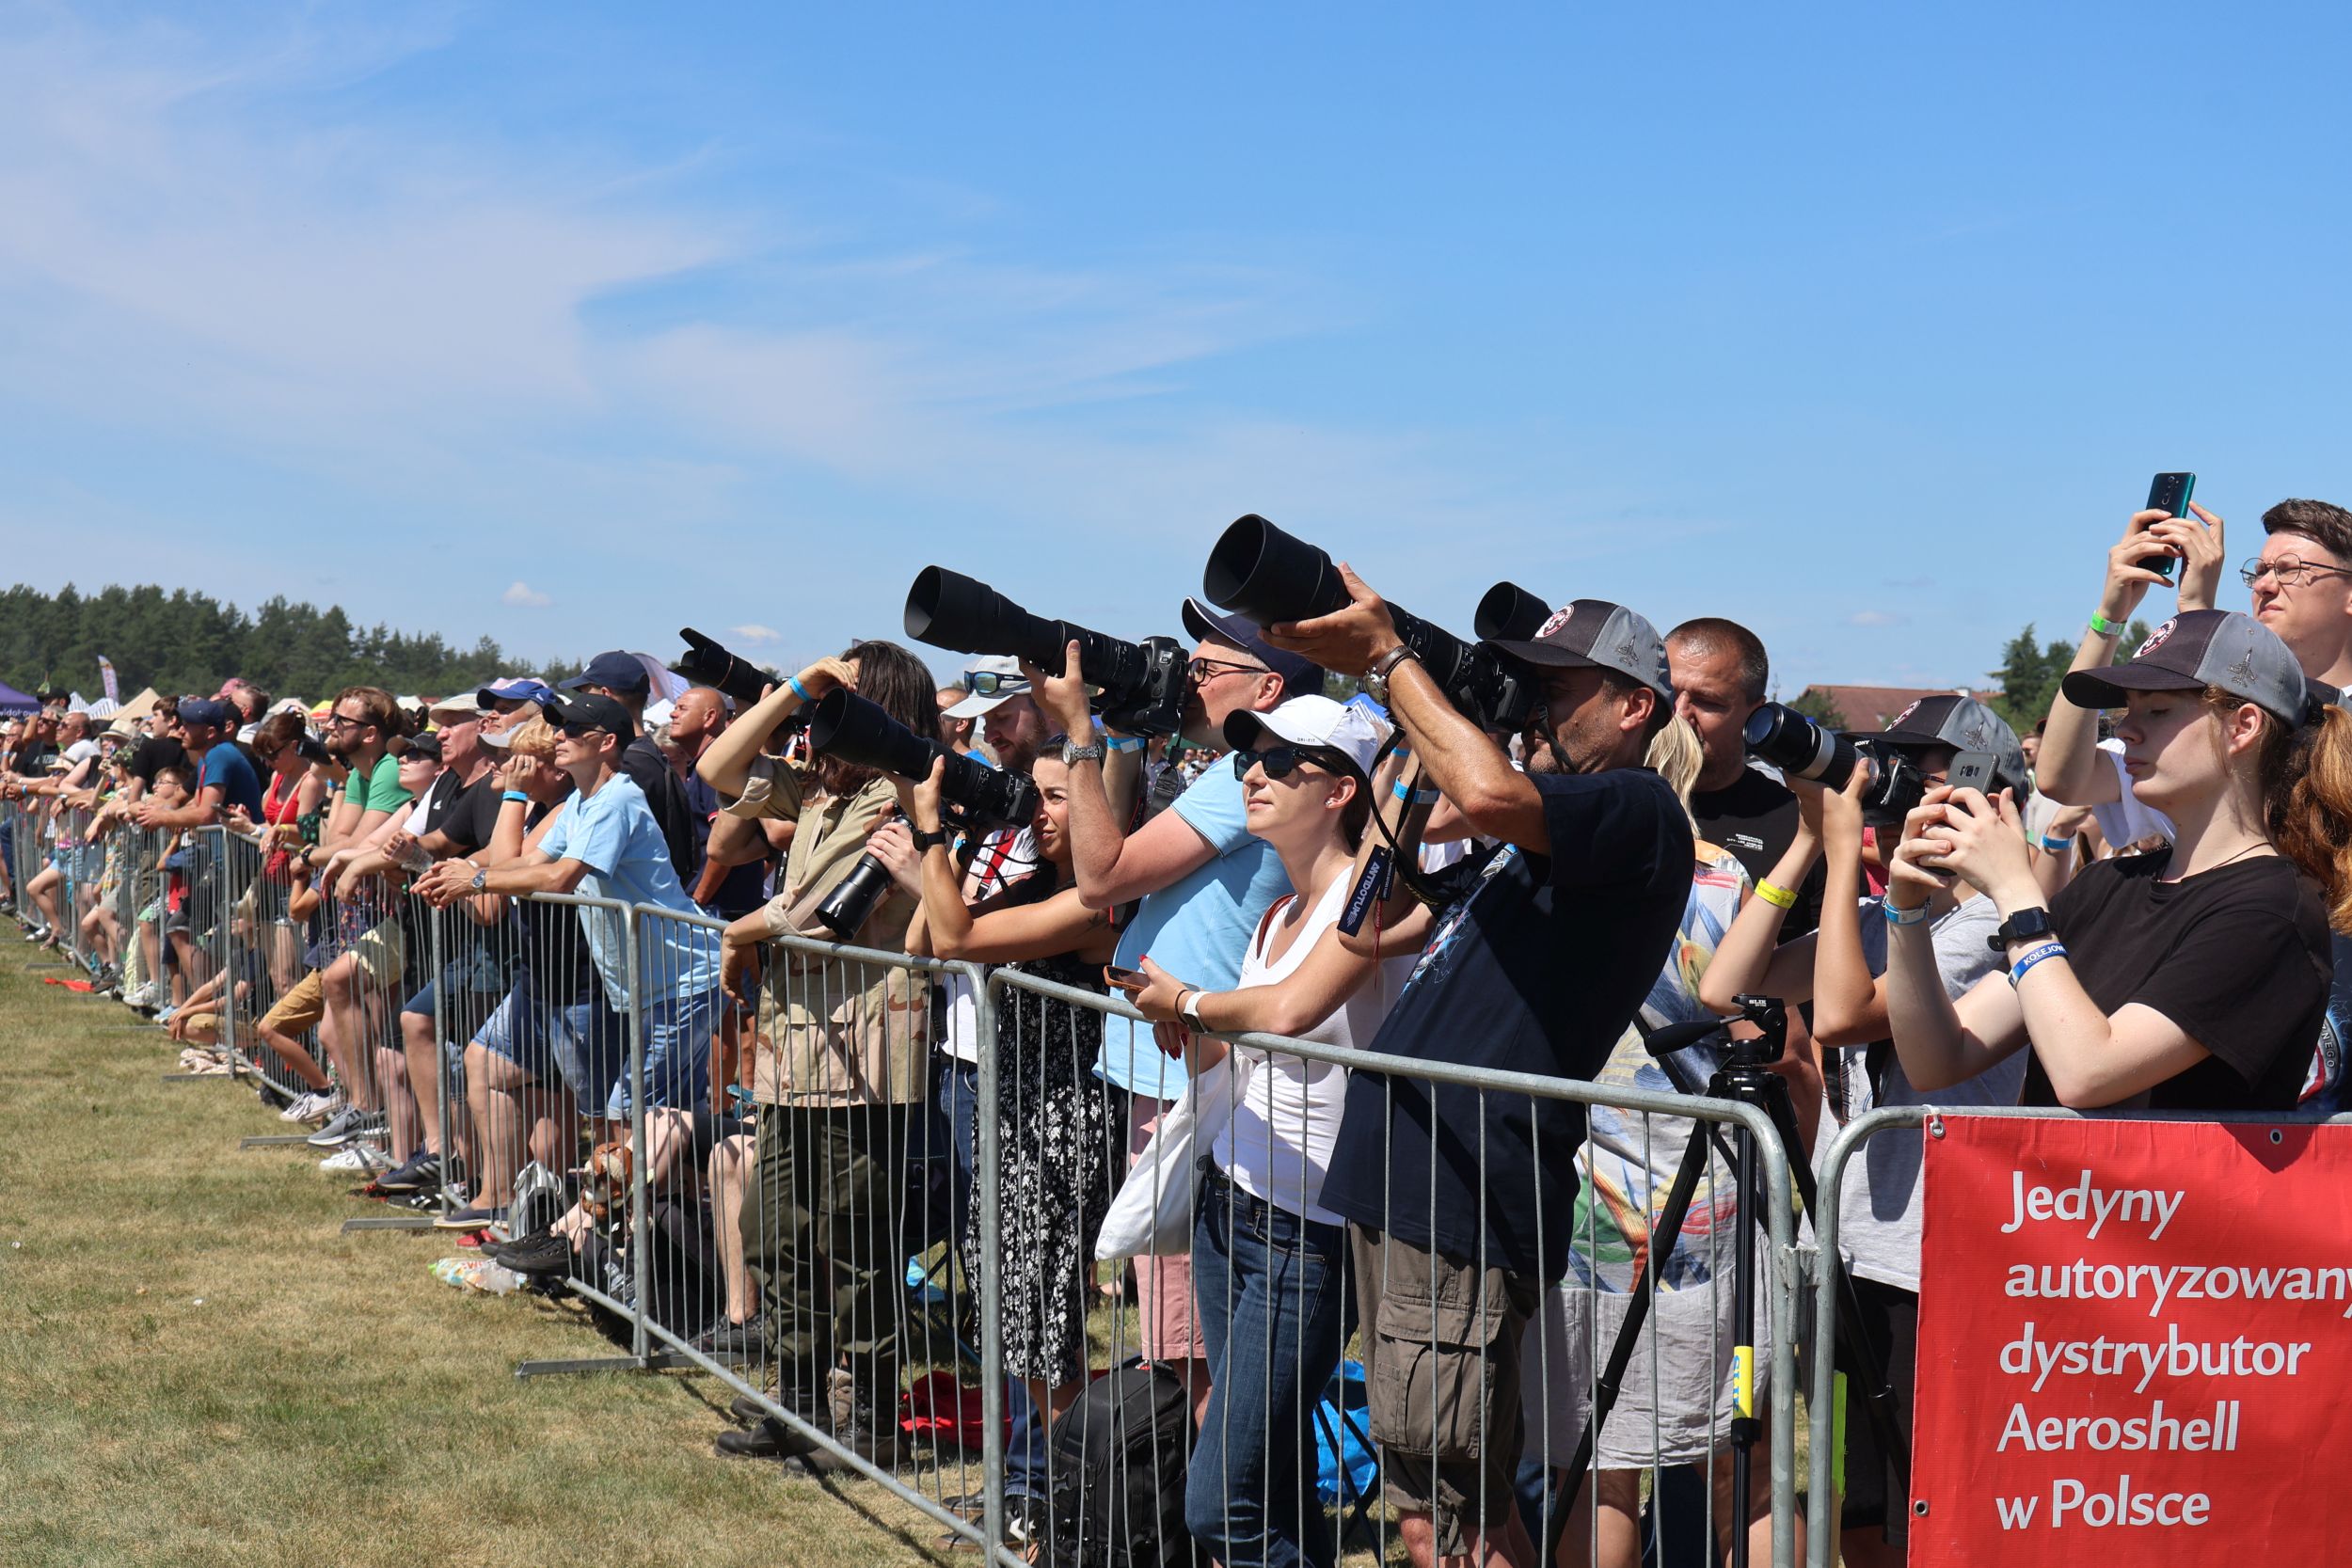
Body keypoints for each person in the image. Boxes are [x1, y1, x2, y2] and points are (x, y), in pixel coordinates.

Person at [1264, 578, 1693, 1568]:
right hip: (1411, 1179)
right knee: (1454, 1498)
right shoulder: (1541, 844)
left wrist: (1390, 658)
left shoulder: (1637, 808)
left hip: (1460, 1189)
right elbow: (1368, 918)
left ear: (1634, 706)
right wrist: (1424, 753)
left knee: (1441, 1515)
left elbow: (1494, 794)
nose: (1536, 707)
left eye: (1558, 690)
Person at [1698, 693, 2028, 1567]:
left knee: (1924, 1509)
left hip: (1930, 1257)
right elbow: (1726, 986)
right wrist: (1808, 841)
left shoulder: (1989, 930)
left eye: (1921, 776)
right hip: (1851, 1247)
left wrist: (1848, 853)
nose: (1893, 798)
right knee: (1861, 1512)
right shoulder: (1882, 921)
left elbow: (1842, 1014)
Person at [1120, 696, 1418, 1568]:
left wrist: (1189, 1001)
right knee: (1273, 1479)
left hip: (1309, 1235)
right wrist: (1189, 1030)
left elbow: (1289, 1010)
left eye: (1282, 760)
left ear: (1341, 790)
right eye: (1250, 757)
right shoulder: (1274, 913)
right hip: (1232, 1204)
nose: (1253, 773)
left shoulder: (1370, 901)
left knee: (1220, 1499)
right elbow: (1246, 1058)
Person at [1030, 596, 1323, 1418]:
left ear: (1267, 689)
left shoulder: (1245, 777)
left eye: (1206, 669)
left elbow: (1100, 875)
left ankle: (1213, 1489)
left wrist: (1082, 731)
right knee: (1184, 1332)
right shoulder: (1233, 774)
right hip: (1175, 1062)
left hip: (1191, 1072)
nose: (1187, 682)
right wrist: (1124, 735)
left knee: (1193, 1345)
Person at [1887, 610, 2348, 1116]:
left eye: (2157, 711)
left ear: (2242, 726)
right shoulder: (2103, 885)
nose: (2125, 730)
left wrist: (2015, 891)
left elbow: (2088, 1073)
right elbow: (1936, 1060)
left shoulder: (2273, 910)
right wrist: (1904, 911)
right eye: (2128, 711)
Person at [867, 736, 1126, 1540]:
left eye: (1057, 796)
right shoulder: (1033, 881)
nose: (1038, 813)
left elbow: (952, 940)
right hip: (1013, 1117)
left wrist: (930, 833)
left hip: (1061, 1122)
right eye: (1033, 794)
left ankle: (1079, 1507)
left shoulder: (1097, 902)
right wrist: (954, 841)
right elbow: (921, 941)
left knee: (1044, 1327)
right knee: (1017, 1319)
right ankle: (1059, 1500)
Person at [695, 639, 939, 1464]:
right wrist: (795, 688)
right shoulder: (820, 788)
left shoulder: (896, 795)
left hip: (864, 1055)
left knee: (856, 1247)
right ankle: (796, 1401)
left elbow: (814, 913)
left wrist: (737, 932)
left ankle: (869, 1421)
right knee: (773, 1234)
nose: (824, 719)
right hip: (795, 1050)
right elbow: (718, 769)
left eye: (845, 703)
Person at [2033, 497, 2352, 1111]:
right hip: (2225, 1042)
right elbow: (2063, 777)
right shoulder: (2206, 744)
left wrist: (2202, 629)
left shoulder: (2314, 728)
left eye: (2292, 570)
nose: (2264, 585)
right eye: (2258, 570)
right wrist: (2114, 616)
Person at [559, 651, 701, 883]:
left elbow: (565, 874)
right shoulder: (647, 756)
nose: (578, 705)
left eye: (584, 695)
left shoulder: (629, 765)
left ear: (605, 696)